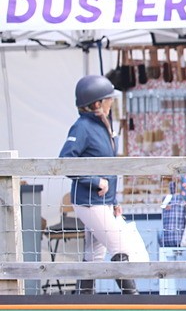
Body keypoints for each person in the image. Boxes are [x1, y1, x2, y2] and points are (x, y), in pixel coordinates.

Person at [58, 75, 146, 294]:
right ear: (96, 103)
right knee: (120, 245)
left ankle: (84, 298)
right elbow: (65, 161)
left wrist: (114, 200)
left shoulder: (103, 126)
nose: (111, 103)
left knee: (94, 254)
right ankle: (132, 298)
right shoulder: (82, 128)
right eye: (108, 99)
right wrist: (94, 181)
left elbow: (108, 166)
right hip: (89, 201)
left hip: (102, 201)